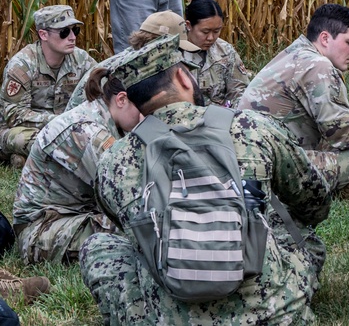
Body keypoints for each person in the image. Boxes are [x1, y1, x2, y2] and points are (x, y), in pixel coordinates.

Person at [80, 34, 332, 325]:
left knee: (99, 246)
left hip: (168, 314)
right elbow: (314, 203)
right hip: (273, 318)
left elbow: (127, 228)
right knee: (296, 229)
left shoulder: (113, 161)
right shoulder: (251, 126)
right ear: (183, 78)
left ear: (134, 101)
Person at [13, 61, 144, 263]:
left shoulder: (105, 119)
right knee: (138, 228)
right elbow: (126, 189)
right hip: (40, 231)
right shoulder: (85, 131)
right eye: (143, 109)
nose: (145, 117)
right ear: (121, 99)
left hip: (73, 216)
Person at [238, 3, 349, 193]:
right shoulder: (317, 64)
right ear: (324, 38)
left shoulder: (296, 52)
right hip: (270, 168)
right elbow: (342, 135)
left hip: (253, 159)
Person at [1, 5, 97, 168]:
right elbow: (13, 114)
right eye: (64, 32)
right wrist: (58, 122)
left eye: (75, 30)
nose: (72, 37)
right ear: (43, 34)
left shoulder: (81, 59)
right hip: (19, 130)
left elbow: (102, 91)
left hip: (66, 128)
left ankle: (26, 159)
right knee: (39, 139)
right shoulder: (23, 64)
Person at [66, 10, 200, 111]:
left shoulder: (138, 62)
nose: (179, 54)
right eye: (176, 48)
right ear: (159, 45)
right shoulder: (132, 70)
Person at [182, 0, 252, 107]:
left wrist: (231, 111)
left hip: (220, 117)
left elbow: (240, 91)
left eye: (216, 31)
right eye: (205, 32)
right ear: (189, 26)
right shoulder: (174, 52)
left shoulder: (225, 51)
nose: (210, 38)